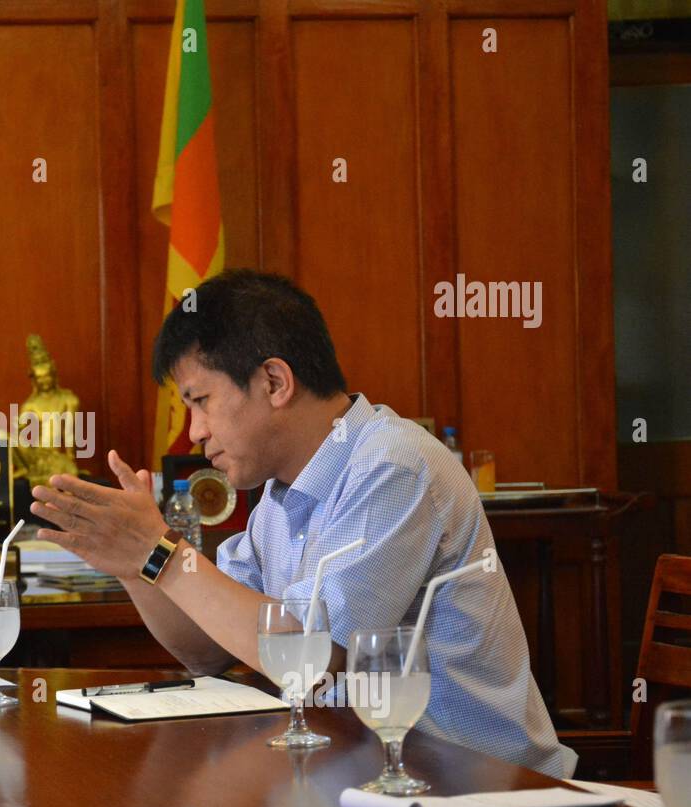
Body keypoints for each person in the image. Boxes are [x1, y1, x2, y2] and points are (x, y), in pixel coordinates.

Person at [30, 269, 576, 778]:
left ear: (274, 381)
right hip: (359, 780)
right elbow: (209, 649)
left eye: (200, 401)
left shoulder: (392, 467)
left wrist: (159, 550)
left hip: (482, 794)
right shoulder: (279, 493)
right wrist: (134, 565)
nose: (193, 432)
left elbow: (315, 660)